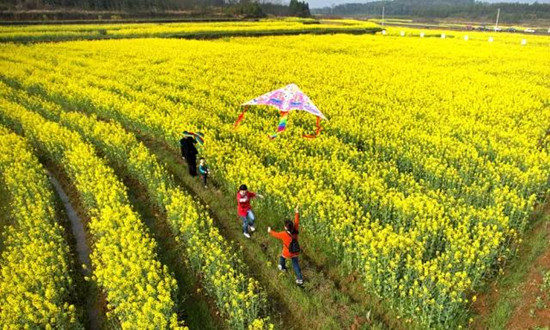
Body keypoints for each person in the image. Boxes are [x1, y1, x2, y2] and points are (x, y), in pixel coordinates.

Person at [268, 206, 303, 286]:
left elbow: (275, 234)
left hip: (287, 252)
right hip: (295, 251)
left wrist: (270, 231)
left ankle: (282, 267)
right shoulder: (296, 230)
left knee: (282, 257)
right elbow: (297, 222)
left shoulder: (283, 234)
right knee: (295, 265)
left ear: (285, 227)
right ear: (292, 226)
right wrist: (297, 212)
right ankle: (300, 279)